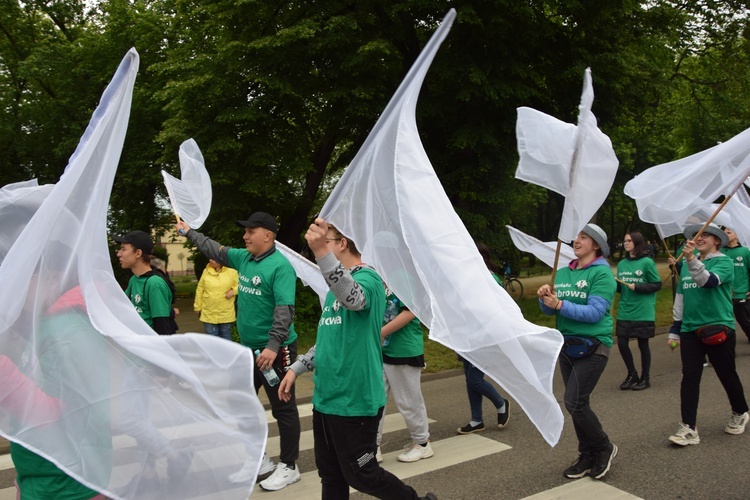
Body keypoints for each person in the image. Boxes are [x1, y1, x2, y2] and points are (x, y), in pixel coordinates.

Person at [277, 218, 437, 500]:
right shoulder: (332, 292)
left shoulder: (370, 279)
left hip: (356, 400)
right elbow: (329, 339)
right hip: (327, 398)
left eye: (326, 241)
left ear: (342, 243)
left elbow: (355, 298)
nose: (319, 246)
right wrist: (297, 367)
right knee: (331, 473)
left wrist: (321, 254)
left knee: (362, 473)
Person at [176, 212, 300, 490]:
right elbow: (213, 248)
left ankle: (290, 466)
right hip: (248, 351)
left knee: (283, 409)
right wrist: (188, 231)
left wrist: (272, 346)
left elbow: (285, 310)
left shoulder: (280, 266)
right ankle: (261, 460)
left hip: (275, 351)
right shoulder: (244, 259)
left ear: (268, 235)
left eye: (251, 231)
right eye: (245, 231)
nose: (245, 236)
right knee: (239, 404)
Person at [537, 223, 617, 480]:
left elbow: (595, 313)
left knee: (574, 401)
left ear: (596, 245)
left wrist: (560, 303)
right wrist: (545, 298)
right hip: (567, 345)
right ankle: (587, 455)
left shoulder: (602, 275)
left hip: (594, 346)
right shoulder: (562, 273)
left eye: (584, 237)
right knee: (578, 404)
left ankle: (604, 447)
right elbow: (550, 311)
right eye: (577, 236)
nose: (577, 241)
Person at [666, 223, 749, 446]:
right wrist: (675, 329)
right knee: (690, 377)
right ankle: (689, 428)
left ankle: (740, 411)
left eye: (706, 235)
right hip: (690, 329)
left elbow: (708, 281)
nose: (699, 238)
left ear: (717, 241)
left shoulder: (724, 261)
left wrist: (691, 260)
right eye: (696, 235)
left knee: (726, 373)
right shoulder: (685, 265)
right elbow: (681, 297)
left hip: (718, 327)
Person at [456, 243, 510, 435]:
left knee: (475, 379)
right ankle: (476, 420)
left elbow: (494, 308)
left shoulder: (490, 279)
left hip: (484, 335)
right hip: (466, 335)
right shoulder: (467, 279)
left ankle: (501, 403)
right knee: (469, 379)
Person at [376, 288, 432, 463]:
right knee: (374, 400)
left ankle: (422, 444)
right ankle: (371, 446)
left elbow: (409, 313)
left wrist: (381, 332)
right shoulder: (378, 275)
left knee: (408, 401)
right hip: (381, 350)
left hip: (404, 351)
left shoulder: (403, 277)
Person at [616, 231, 662, 390]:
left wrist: (639, 287)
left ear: (637, 242)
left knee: (643, 344)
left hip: (643, 311)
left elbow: (657, 285)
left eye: (629, 240)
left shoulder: (647, 262)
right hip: (625, 310)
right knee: (621, 343)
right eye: (624, 241)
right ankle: (632, 374)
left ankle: (645, 378)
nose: (625, 243)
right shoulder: (621, 264)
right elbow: (621, 288)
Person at [115, 230, 175, 335]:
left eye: (123, 249)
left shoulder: (154, 283)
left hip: (150, 347)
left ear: (138, 253)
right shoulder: (134, 279)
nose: (118, 254)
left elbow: (162, 326)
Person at [193, 259, 239, 340]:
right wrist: (197, 306)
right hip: (209, 312)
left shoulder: (232, 272)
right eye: (210, 258)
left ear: (220, 259)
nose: (210, 260)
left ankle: (226, 353)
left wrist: (233, 291)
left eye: (213, 258)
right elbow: (200, 289)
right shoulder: (206, 271)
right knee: (212, 338)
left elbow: (241, 286)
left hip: (225, 312)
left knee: (226, 336)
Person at [721, 226, 750, 343]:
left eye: (729, 232)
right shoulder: (720, 252)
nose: (726, 234)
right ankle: (728, 350)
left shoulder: (745, 251)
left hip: (741, 293)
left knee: (745, 320)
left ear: (737, 235)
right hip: (723, 294)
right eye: (724, 233)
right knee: (725, 324)